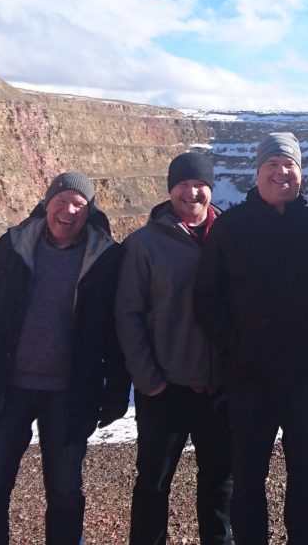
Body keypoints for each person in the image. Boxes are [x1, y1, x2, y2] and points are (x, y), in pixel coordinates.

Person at [0, 170, 129, 545]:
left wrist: (115, 389)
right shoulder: (12, 246)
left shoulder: (107, 258)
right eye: (61, 201)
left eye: (79, 204)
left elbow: (117, 329)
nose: (69, 210)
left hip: (70, 395)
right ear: (46, 203)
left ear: (89, 211)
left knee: (65, 494)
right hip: (6, 390)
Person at [194, 132, 308, 545]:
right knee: (248, 480)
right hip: (249, 379)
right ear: (257, 172)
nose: (282, 172)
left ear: (300, 171)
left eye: (290, 164)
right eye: (272, 165)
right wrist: (235, 343)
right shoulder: (231, 227)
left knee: (306, 477)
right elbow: (207, 296)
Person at [115, 152, 233, 544]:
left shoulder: (230, 236)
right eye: (183, 184)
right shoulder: (143, 245)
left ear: (210, 188)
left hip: (219, 390)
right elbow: (128, 315)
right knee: (154, 483)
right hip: (165, 390)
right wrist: (148, 381)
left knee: (219, 485)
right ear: (170, 189)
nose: (192, 192)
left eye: (199, 184)